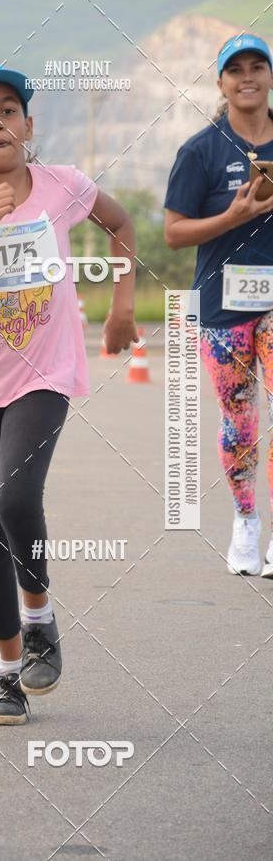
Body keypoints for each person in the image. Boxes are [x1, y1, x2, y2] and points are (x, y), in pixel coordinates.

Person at [0, 60, 138, 725]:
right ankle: (8, 671)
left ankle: (39, 619)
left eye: (8, 110)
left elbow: (121, 225)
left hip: (45, 374)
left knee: (16, 497)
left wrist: (122, 304)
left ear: (29, 125)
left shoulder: (62, 185)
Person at [164, 33, 273, 578]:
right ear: (221, 82)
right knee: (239, 417)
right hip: (220, 307)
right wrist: (232, 218)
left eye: (257, 66)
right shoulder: (201, 150)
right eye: (236, 69)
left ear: (270, 76)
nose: (247, 76)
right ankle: (246, 522)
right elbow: (173, 233)